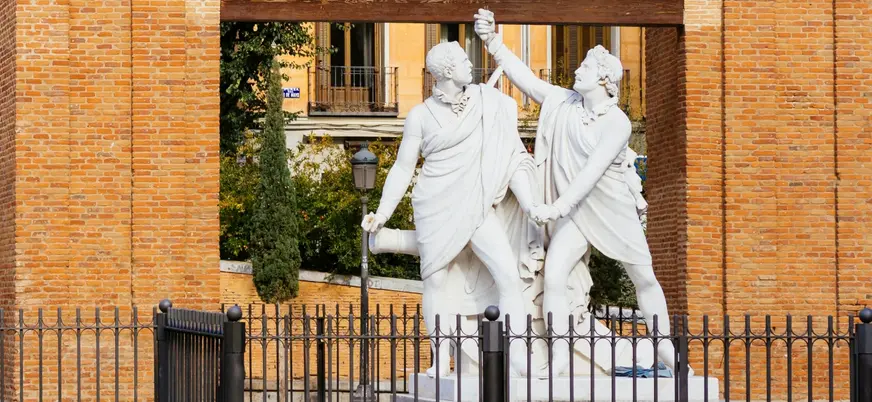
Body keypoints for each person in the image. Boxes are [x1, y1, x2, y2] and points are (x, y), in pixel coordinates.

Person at [474, 9, 692, 377]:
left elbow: (589, 176)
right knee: (556, 275)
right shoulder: (564, 103)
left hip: (611, 209)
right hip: (576, 216)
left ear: (604, 79)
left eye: (586, 68)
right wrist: (492, 41)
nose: (577, 71)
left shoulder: (617, 123)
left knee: (645, 278)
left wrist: (555, 208)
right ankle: (560, 356)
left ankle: (669, 353)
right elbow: (526, 80)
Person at [361, 41, 543, 376]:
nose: (470, 64)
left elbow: (508, 138)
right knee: (436, 283)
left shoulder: (486, 102)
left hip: (475, 204)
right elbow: (403, 168)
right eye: (462, 60)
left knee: (507, 276)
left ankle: (518, 352)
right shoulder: (420, 116)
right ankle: (441, 358)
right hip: (436, 204)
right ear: (446, 70)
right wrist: (383, 212)